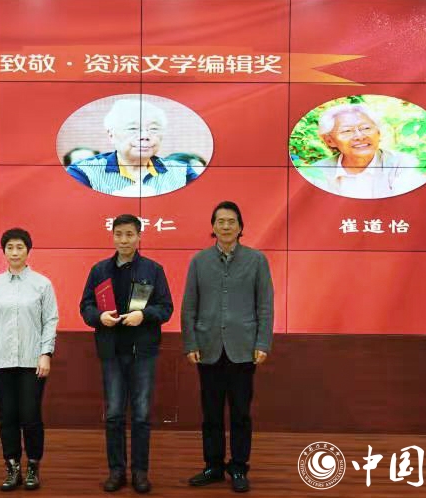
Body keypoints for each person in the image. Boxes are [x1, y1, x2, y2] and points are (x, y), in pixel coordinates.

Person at [181, 201, 274, 493]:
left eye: (231, 221)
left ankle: (239, 467)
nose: (225, 226)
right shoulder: (199, 261)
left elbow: (265, 305)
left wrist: (263, 342)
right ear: (213, 226)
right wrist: (190, 342)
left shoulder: (256, 260)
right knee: (210, 413)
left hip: (243, 348)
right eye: (220, 221)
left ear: (240, 227)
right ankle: (213, 466)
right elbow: (189, 306)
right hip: (208, 347)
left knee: (240, 413)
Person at [79, 214, 173, 493]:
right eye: (119, 234)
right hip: (111, 352)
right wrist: (99, 317)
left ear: (139, 236)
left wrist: (143, 315)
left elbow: (166, 308)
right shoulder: (99, 270)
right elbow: (85, 306)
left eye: (129, 234)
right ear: (113, 236)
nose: (124, 240)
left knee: (141, 415)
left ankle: (140, 472)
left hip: (143, 352)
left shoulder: (153, 270)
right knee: (114, 415)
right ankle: (116, 471)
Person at [0, 228, 58, 492]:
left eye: (19, 247)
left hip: (33, 361)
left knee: (30, 416)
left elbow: (50, 321)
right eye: (10, 247)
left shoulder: (42, 284)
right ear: (4, 251)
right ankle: (12, 468)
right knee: (7, 416)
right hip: (0, 360)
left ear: (28, 250)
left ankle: (33, 466)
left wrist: (46, 354)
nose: (14, 252)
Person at [66, 99, 199, 197]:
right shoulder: (83, 172)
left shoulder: (182, 172)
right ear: (111, 135)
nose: (145, 136)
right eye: (133, 129)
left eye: (153, 129)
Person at [309, 103, 426, 199]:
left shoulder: (404, 164)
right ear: (330, 140)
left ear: (378, 132)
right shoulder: (316, 172)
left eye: (366, 128)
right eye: (347, 131)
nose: (359, 136)